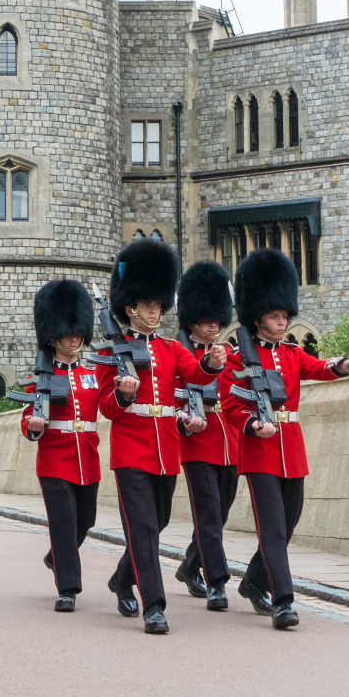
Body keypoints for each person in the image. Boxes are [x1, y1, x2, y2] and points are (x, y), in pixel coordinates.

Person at [221, 249, 349, 630]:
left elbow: (319, 367)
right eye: (275, 316)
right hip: (260, 451)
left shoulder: (292, 354)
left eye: (284, 316)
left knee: (290, 523)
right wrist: (252, 426)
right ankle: (283, 600)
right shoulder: (238, 360)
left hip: (291, 449)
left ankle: (253, 581)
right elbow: (231, 405)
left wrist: (343, 365)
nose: (282, 322)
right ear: (258, 318)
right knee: (273, 529)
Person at [101, 239, 227, 635]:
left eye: (158, 305)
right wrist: (122, 394)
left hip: (165, 450)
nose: (155, 311)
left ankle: (123, 579)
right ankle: (154, 606)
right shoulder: (113, 351)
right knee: (142, 529)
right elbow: (105, 407)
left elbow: (196, 375)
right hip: (130, 451)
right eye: (148, 305)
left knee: (156, 523)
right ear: (131, 308)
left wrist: (209, 362)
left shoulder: (173, 348)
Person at [22, 280, 100, 612]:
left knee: (85, 521)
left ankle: (56, 556)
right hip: (55, 460)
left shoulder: (92, 374)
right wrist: (34, 426)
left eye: (77, 331)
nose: (73, 337)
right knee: (64, 523)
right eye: (67, 332)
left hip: (89, 459)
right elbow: (28, 415)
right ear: (53, 336)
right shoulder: (41, 376)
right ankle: (67, 588)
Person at [171, 261, 239, 610]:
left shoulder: (231, 356)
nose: (214, 325)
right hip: (195, 440)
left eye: (218, 319)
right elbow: (169, 399)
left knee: (220, 512)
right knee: (209, 512)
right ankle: (217, 581)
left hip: (229, 441)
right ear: (193, 319)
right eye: (208, 319)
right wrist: (184, 419)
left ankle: (188, 565)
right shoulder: (178, 354)